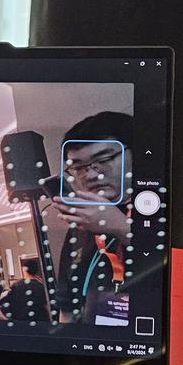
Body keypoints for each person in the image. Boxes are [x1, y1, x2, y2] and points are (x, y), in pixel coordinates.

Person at [47, 110, 134, 324]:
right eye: (78, 167)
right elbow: (66, 306)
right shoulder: (81, 224)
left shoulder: (162, 209)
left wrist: (121, 227)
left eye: (103, 159)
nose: (92, 175)